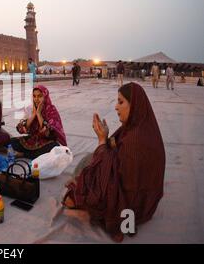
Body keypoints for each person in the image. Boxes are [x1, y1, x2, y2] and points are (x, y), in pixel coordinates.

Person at [62, 83, 165, 242]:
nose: (116, 107)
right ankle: (80, 183)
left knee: (73, 196)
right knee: (91, 159)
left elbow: (122, 186)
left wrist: (102, 141)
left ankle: (80, 186)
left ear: (135, 105)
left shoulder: (136, 141)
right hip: (143, 201)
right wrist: (106, 139)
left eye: (121, 102)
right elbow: (116, 149)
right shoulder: (138, 127)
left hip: (130, 206)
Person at [10, 85, 67, 159]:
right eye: (34, 96)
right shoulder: (30, 109)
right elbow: (20, 129)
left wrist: (39, 114)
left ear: (45, 97)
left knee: (54, 147)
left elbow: (50, 134)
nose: (36, 99)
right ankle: (30, 153)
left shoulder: (51, 110)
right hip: (33, 139)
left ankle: (23, 154)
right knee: (11, 141)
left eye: (40, 96)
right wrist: (33, 114)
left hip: (47, 142)